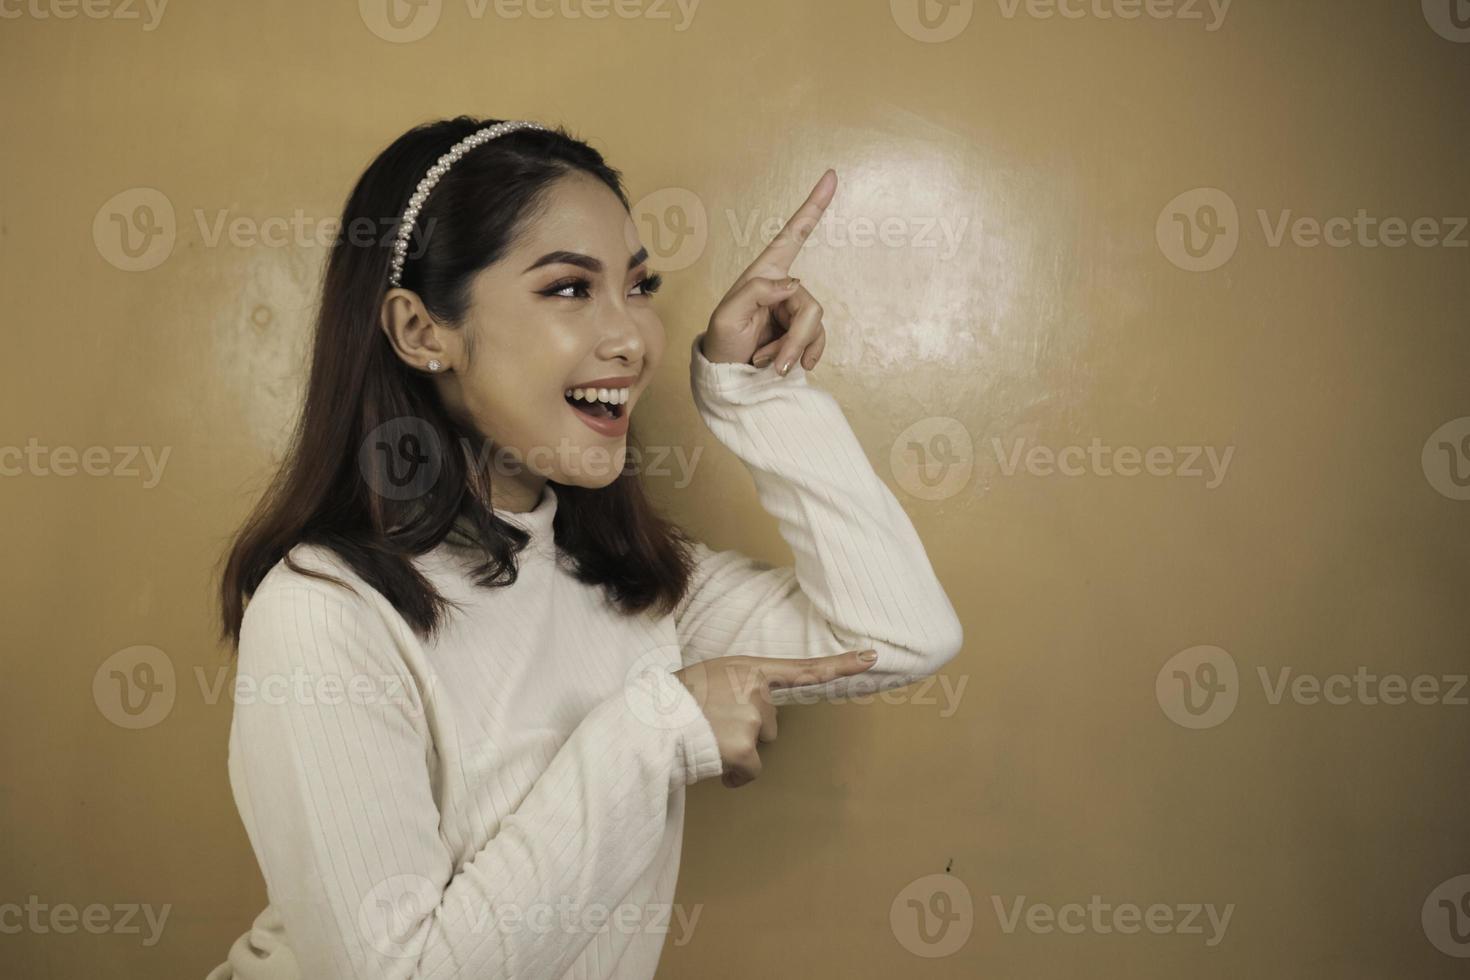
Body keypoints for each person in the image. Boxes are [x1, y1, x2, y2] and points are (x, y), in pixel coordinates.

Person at [207, 115, 964, 980]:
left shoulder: (633, 580)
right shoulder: (322, 613)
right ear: (422, 332)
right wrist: (655, 732)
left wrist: (752, 392)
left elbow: (903, 635)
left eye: (639, 288)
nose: (633, 339)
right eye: (569, 288)